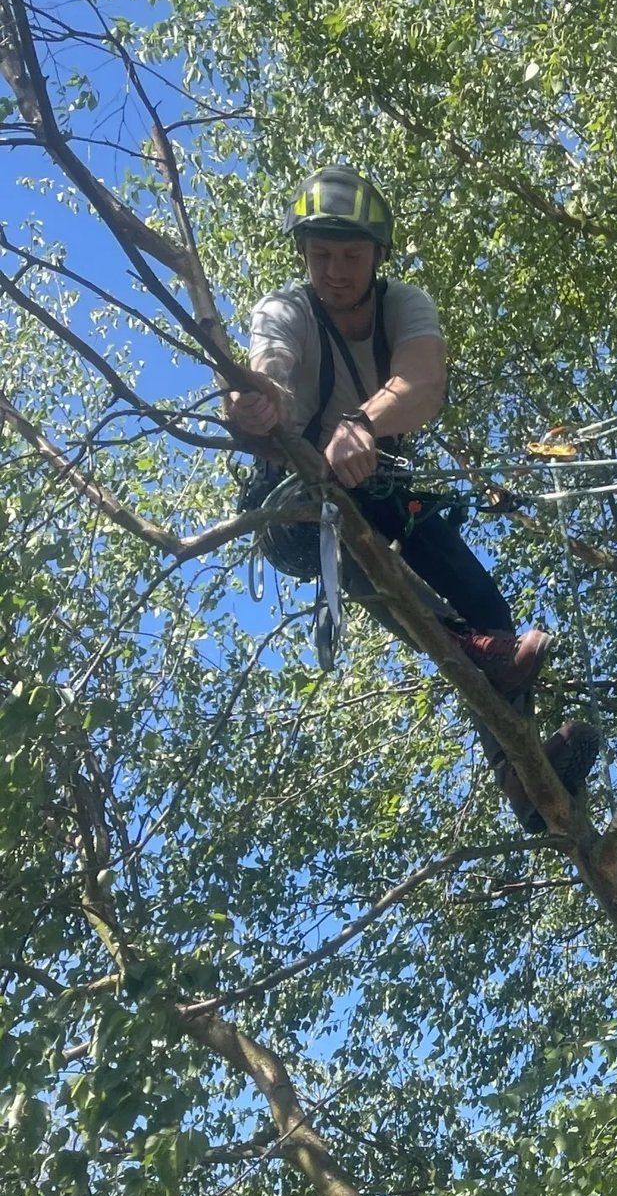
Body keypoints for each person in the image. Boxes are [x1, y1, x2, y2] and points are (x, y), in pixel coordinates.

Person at [226, 164, 597, 800]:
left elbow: (422, 385)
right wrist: (254, 403)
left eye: (351, 255)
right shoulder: (284, 310)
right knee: (358, 547)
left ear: (378, 256)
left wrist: (359, 424)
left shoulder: (404, 306)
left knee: (486, 603)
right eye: (321, 256)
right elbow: (269, 369)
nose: (336, 271)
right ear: (302, 255)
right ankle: (464, 646)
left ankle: (524, 776)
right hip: (294, 505)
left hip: (379, 483)